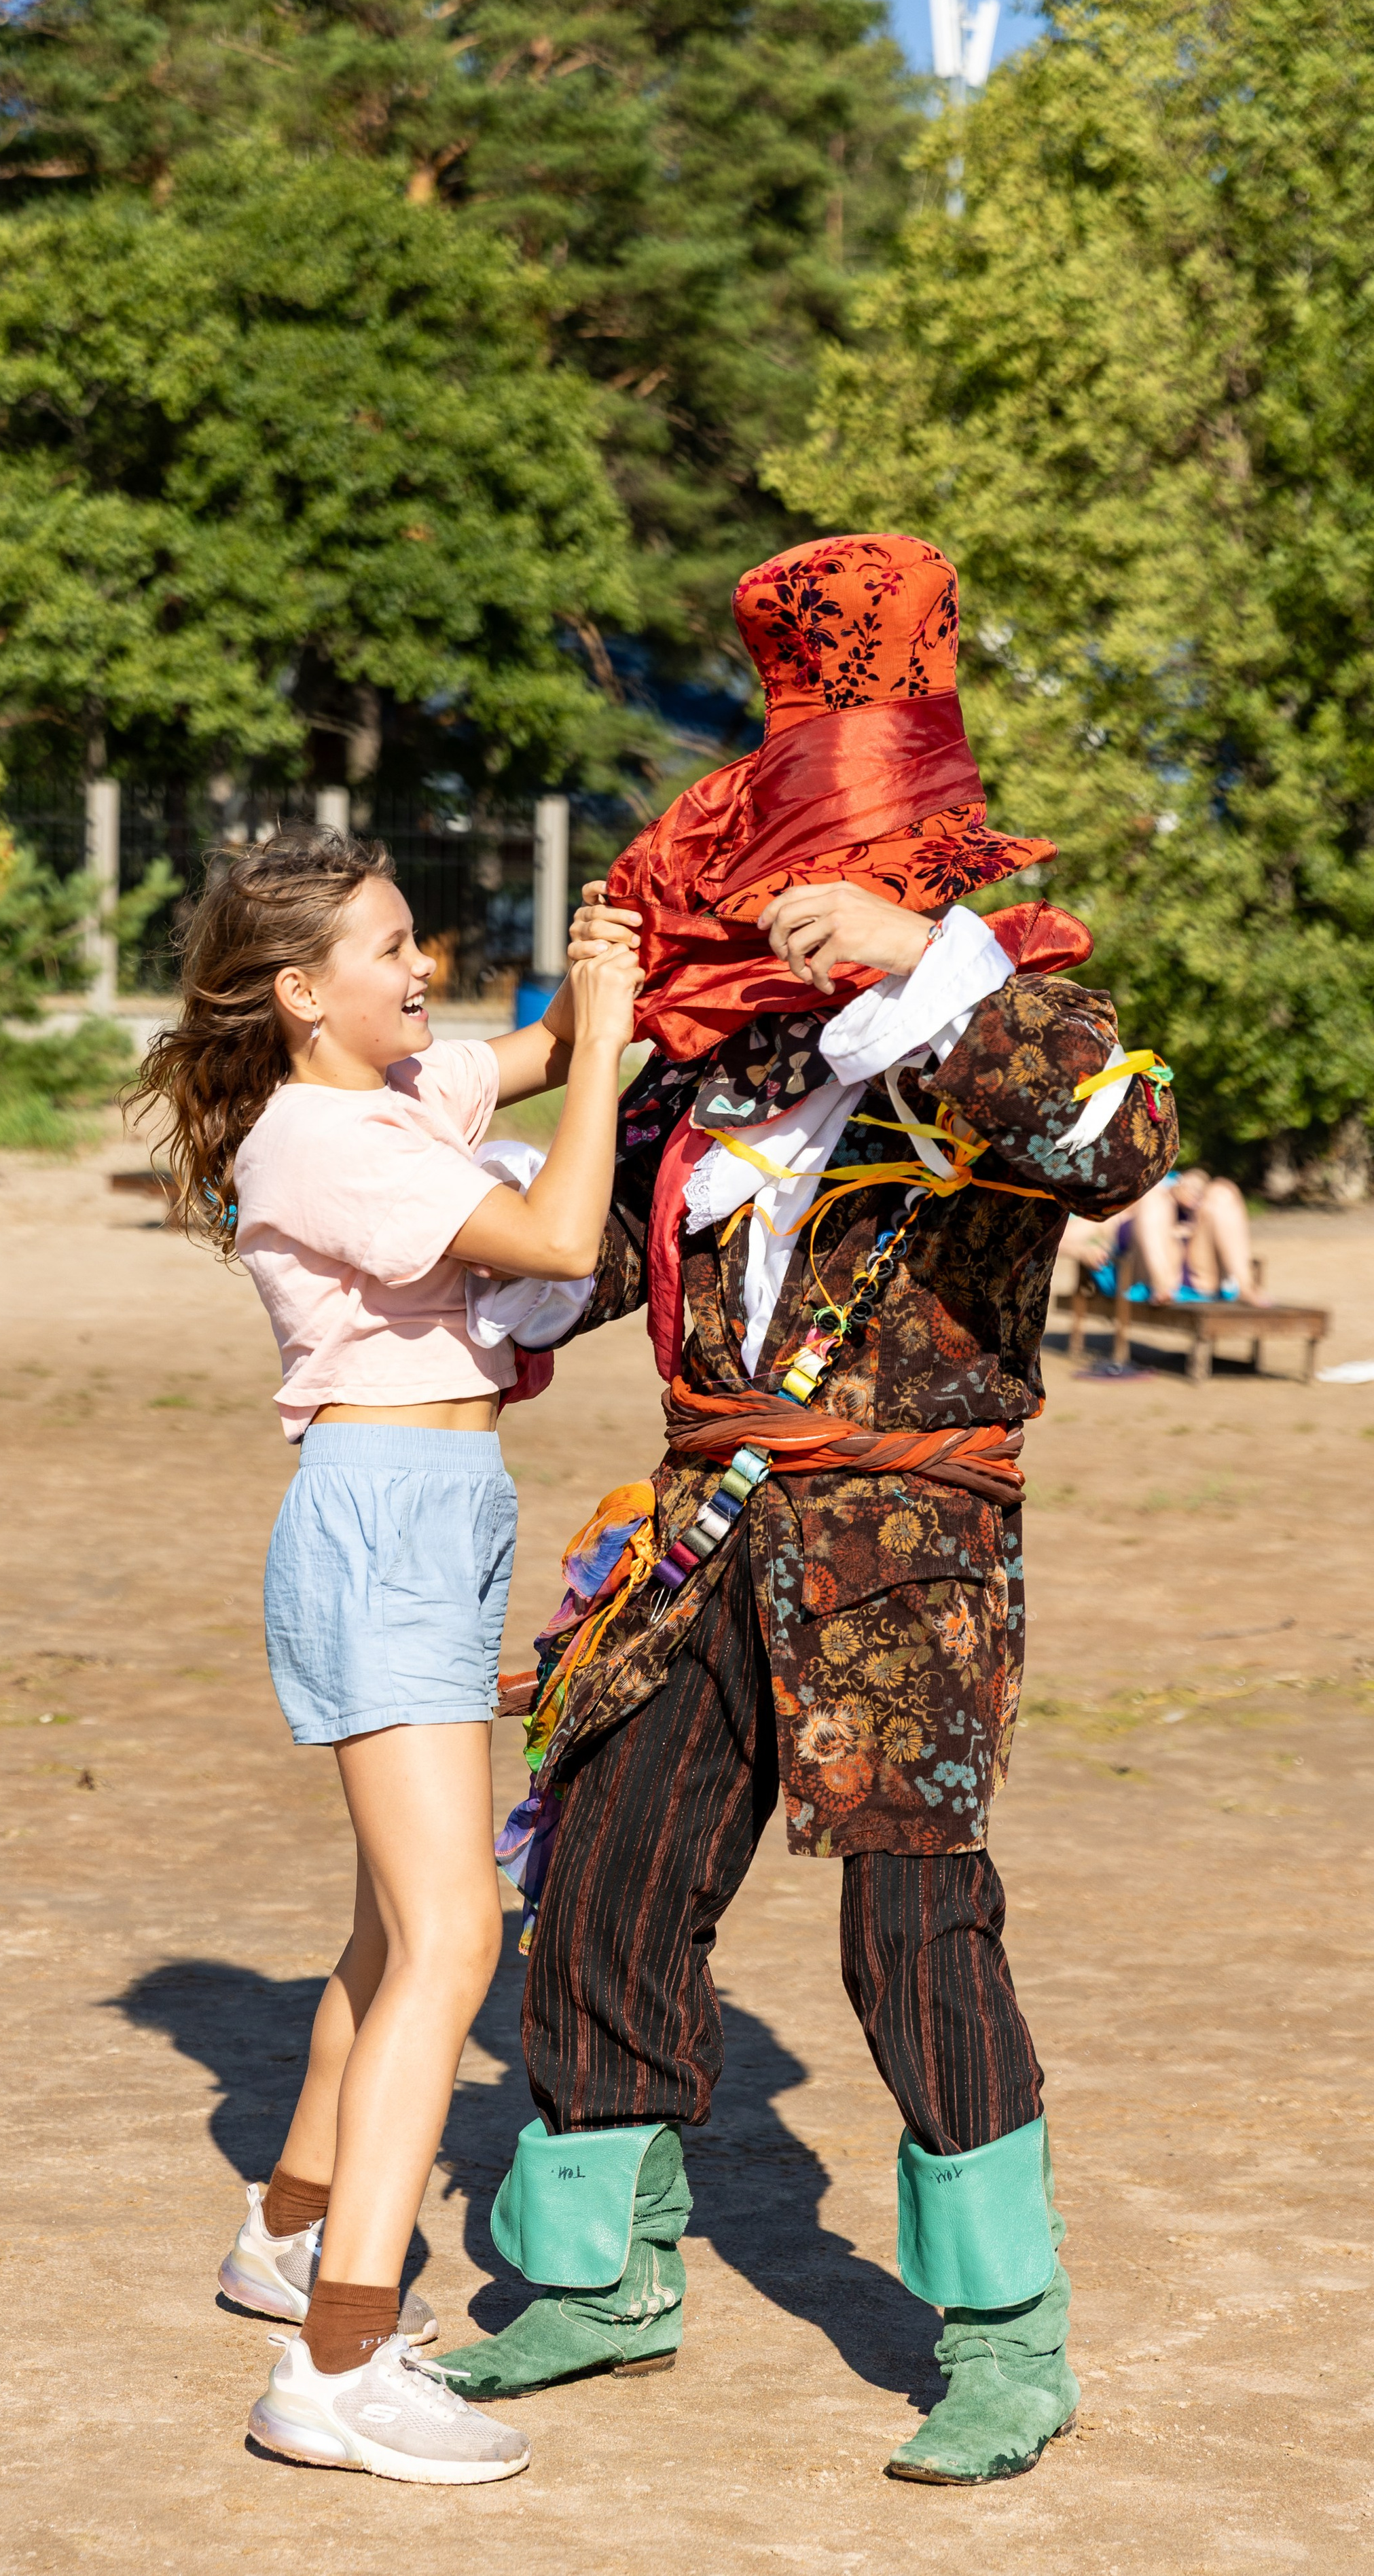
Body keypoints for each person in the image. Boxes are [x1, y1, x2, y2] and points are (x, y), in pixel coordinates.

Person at [432, 534, 1180, 2486]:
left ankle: (1007, 2332)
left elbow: (1123, 1145)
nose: (795, 903)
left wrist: (923, 972)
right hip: (692, 1539)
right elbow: (566, 1255)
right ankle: (601, 2276)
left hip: (905, 1560)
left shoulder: (1017, 1009)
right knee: (603, 1882)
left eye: (829, 862)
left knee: (914, 1934)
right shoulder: (723, 1048)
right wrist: (374, 1189)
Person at [132, 823, 640, 2488]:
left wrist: (617, 954)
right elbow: (564, 1239)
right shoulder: (319, 1139)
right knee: (450, 1934)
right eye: (390, 946)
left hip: (432, 1504)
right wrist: (609, 1055)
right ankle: (336, 2360)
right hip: (383, 1515)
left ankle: (286, 2234)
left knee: (386, 1925)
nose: (422, 966)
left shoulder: (399, 1093)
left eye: (419, 938)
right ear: (300, 991)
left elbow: (553, 1035)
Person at [1060, 1168, 1265, 1305]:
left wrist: (1189, 1183)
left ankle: (1244, 1285)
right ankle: (1162, 1285)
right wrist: (1082, 1252)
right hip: (1153, 1276)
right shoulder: (1111, 1213)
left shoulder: (1170, 1185)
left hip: (1202, 1273)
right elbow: (1058, 1240)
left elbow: (1199, 1178)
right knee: (1153, 1199)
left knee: (1222, 1192)